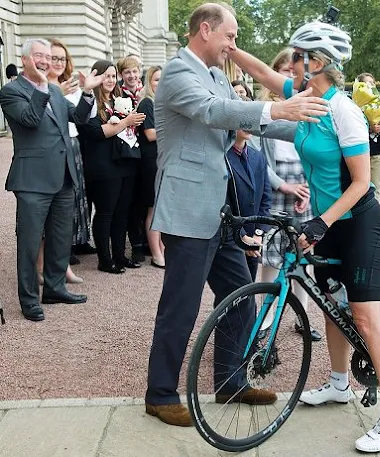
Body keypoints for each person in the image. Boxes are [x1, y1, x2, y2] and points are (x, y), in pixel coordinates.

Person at [144, 2, 329, 428]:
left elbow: (249, 125)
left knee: (241, 299)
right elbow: (215, 112)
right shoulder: (177, 73)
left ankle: (230, 382)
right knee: (181, 307)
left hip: (223, 213)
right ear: (205, 30)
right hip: (190, 211)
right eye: (230, 36)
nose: (233, 44)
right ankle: (159, 394)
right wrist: (274, 109)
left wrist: (315, 127)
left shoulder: (212, 74)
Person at [232, 21, 380, 454]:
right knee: (331, 307)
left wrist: (321, 222)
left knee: (365, 318)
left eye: (296, 57)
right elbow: (264, 76)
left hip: (357, 223)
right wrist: (232, 51)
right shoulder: (304, 98)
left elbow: (362, 184)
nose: (289, 64)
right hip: (327, 222)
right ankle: (338, 383)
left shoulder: (343, 110)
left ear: (315, 64)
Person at [0, 38, 104, 322]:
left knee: (61, 238)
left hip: (63, 177)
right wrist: (44, 85)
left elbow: (79, 119)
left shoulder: (55, 93)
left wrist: (86, 93)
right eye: (39, 56)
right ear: (24, 60)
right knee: (30, 244)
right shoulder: (11, 92)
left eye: (48, 56)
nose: (45, 61)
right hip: (32, 180)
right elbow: (31, 120)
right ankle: (29, 300)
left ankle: (56, 288)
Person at [256, 48, 320, 342]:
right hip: (275, 190)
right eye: (283, 71)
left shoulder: (309, 108)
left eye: (293, 72)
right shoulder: (264, 111)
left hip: (303, 190)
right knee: (270, 260)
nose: (289, 76)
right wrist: (284, 185)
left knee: (303, 257)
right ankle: (265, 319)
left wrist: (307, 188)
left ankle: (302, 318)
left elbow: (314, 155)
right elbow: (260, 162)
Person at [78, 60, 146, 273]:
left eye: (112, 75)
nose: (109, 80)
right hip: (102, 165)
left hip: (125, 162)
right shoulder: (89, 102)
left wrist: (131, 123)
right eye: (105, 76)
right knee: (106, 212)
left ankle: (119, 255)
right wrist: (126, 122)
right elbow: (95, 132)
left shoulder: (120, 99)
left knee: (122, 212)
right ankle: (105, 259)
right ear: (96, 77)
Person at [47, 38, 89, 282]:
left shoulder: (68, 86)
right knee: (48, 215)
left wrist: (87, 91)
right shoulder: (39, 87)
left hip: (72, 146)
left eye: (63, 58)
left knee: (68, 208)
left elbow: (81, 117)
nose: (59, 63)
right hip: (51, 151)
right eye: (54, 58)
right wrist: (56, 94)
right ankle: (43, 266)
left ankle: (62, 265)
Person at [227, 97, 272, 280]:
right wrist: (242, 237)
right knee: (233, 291)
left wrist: (259, 234)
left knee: (250, 287)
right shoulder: (223, 157)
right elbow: (224, 202)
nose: (248, 125)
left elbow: (265, 198)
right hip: (232, 239)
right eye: (242, 120)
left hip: (254, 237)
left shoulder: (258, 157)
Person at [117, 55, 146, 263]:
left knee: (146, 200)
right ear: (122, 75)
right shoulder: (118, 94)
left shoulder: (146, 93)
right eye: (127, 72)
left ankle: (146, 241)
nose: (132, 75)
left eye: (135, 71)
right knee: (131, 201)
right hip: (127, 151)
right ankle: (136, 244)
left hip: (147, 151)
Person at [136, 65, 164, 268]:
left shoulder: (164, 103)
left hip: (164, 161)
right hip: (151, 162)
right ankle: (156, 254)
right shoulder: (147, 103)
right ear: (149, 82)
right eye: (156, 80)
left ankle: (162, 249)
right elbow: (150, 134)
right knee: (153, 209)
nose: (160, 83)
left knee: (162, 209)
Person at [356, 72, 380, 198]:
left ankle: (374, 216)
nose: (370, 85)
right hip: (359, 150)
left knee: (375, 186)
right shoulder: (354, 103)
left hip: (377, 150)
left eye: (372, 82)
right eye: (367, 82)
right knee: (360, 187)